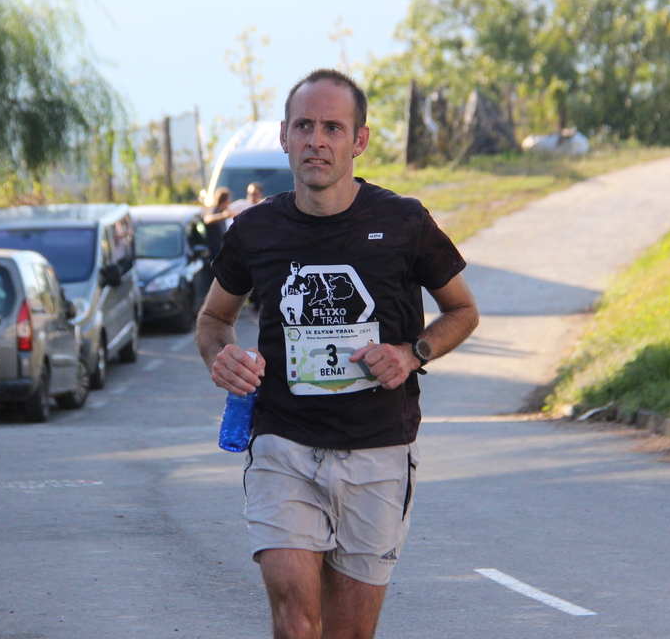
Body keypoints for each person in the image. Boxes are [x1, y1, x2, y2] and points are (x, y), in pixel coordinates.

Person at [196, 68, 479, 639]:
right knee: (297, 623)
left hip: (379, 450)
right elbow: (213, 321)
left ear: (360, 140)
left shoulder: (403, 222)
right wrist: (222, 358)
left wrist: (413, 353)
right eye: (303, 126)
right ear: (284, 136)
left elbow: (463, 311)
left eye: (333, 127)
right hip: (283, 447)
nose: (316, 141)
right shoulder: (256, 229)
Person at [202, 186, 232, 259]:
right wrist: (223, 216)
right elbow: (207, 219)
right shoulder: (215, 210)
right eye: (228, 200)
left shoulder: (223, 210)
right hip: (214, 249)